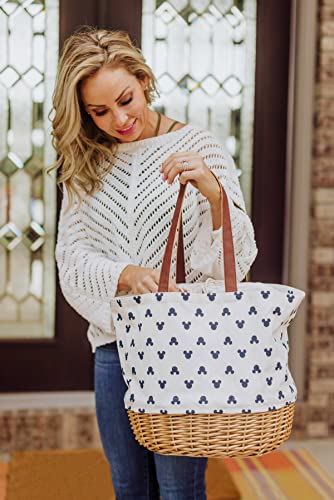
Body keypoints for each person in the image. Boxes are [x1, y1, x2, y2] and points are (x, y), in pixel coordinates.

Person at [51, 27, 258, 500]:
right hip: (114, 350)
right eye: (98, 111)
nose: (119, 119)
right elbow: (71, 256)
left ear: (144, 80)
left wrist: (214, 192)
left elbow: (236, 259)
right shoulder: (86, 161)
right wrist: (123, 274)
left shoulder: (200, 146)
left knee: (179, 490)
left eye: (126, 99)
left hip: (182, 348)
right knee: (128, 488)